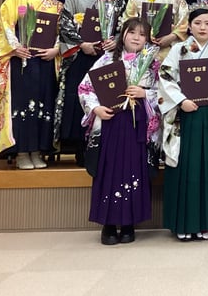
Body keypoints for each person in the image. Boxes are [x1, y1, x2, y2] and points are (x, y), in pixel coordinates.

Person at [77, 17, 160, 245]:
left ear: (148, 39)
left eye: (142, 34)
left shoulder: (153, 63)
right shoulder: (106, 59)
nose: (136, 37)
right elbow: (85, 88)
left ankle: (129, 222)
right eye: (132, 32)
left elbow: (163, 92)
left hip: (137, 124)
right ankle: (109, 223)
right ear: (122, 34)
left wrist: (145, 94)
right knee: (109, 169)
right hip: (111, 122)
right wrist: (96, 108)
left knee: (134, 168)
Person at [159, 8, 208, 241]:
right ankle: (183, 223)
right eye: (198, 23)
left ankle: (205, 222)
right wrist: (181, 101)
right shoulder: (178, 50)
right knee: (185, 167)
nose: (203, 27)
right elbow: (165, 77)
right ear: (189, 26)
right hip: (186, 114)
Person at [55, 0, 125, 166]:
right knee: (81, 98)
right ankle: (79, 147)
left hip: (106, 57)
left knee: (106, 97)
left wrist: (115, 41)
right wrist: (81, 44)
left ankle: (103, 146)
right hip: (81, 54)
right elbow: (65, 24)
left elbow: (123, 26)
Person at [0, 0, 63, 168]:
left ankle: (37, 151)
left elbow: (62, 32)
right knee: (23, 102)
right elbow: (5, 24)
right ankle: (22, 152)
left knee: (44, 101)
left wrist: (56, 49)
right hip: (22, 59)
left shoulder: (56, 6)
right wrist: (15, 47)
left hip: (45, 60)